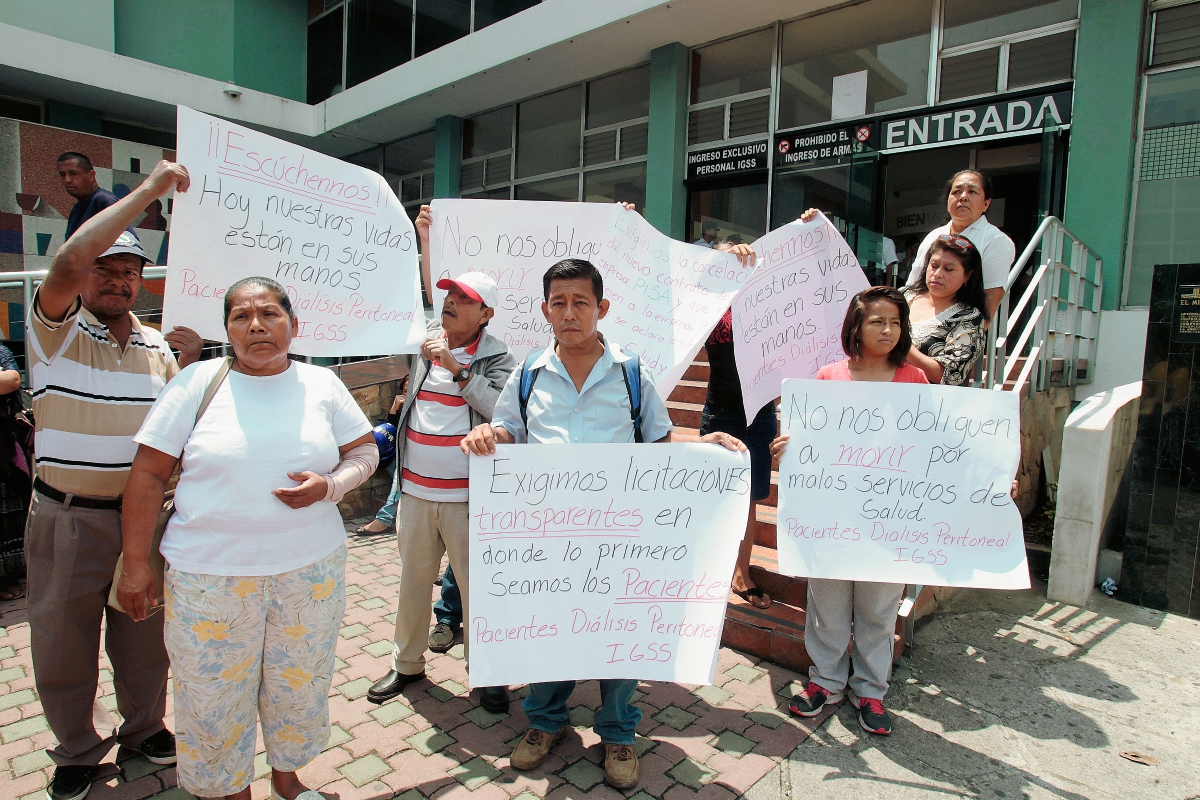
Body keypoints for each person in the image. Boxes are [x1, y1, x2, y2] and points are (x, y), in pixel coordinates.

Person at [460, 258, 746, 790]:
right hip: (548, 538)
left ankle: (617, 731)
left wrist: (701, 446)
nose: (570, 313)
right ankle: (545, 722)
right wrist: (489, 437)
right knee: (550, 630)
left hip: (619, 539)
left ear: (602, 308)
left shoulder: (632, 373)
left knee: (620, 634)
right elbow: (508, 429)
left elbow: (657, 446)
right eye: (559, 303)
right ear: (545, 310)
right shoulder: (528, 374)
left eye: (581, 302)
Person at [118, 276, 378, 800]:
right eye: (242, 316)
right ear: (228, 330)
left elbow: (365, 454)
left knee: (298, 685)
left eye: (270, 314)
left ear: (294, 326)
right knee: (213, 699)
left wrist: (331, 487)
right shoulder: (195, 384)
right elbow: (146, 476)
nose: (256, 325)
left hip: (309, 574)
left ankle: (288, 780)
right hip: (210, 579)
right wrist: (135, 564)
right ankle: (231, 791)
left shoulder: (322, 385)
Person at [24, 160, 202, 800]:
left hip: (142, 520)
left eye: (130, 272)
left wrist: (187, 363)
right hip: (66, 516)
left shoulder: (157, 347)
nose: (119, 281)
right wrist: (151, 192)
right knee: (64, 643)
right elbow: (68, 263)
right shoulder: (56, 331)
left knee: (144, 636)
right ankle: (77, 749)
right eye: (108, 269)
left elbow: (171, 433)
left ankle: (145, 728)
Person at [368, 202, 517, 715]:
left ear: (486, 314)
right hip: (415, 491)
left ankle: (487, 675)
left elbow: (501, 410)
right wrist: (425, 239)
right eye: (449, 295)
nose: (450, 302)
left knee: (480, 591)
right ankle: (407, 664)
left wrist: (456, 369)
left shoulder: (498, 357)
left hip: (467, 498)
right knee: (412, 583)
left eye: (464, 299)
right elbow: (429, 290)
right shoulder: (429, 340)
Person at [773, 286, 926, 738]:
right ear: (855, 327)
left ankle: (871, 691)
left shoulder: (915, 381)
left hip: (888, 519)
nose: (888, 329)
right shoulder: (828, 377)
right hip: (832, 518)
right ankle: (825, 682)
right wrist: (790, 448)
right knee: (828, 605)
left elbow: (934, 449)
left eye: (896, 322)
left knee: (880, 609)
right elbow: (811, 441)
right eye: (877, 320)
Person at [698, 239, 772, 609]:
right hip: (721, 412)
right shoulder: (706, 302)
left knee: (751, 500)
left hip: (759, 415)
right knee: (714, 497)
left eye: (738, 256)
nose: (733, 262)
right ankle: (710, 571)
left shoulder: (767, 297)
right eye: (723, 259)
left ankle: (741, 573)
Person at [904, 170, 1015, 318]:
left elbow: (990, 299)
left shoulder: (996, 240)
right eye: (956, 191)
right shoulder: (932, 237)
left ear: (986, 204)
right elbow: (912, 286)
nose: (963, 197)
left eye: (972, 191)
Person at [905, 234, 990, 386]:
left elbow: (950, 376)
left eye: (948, 269)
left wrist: (902, 346)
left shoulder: (970, 318)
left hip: (927, 406)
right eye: (934, 265)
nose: (937, 274)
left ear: (967, 276)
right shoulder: (902, 297)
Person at [354, 391, 405, 535]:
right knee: (394, 468)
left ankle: (384, 519)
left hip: (415, 457)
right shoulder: (402, 407)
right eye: (405, 390)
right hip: (399, 455)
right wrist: (394, 409)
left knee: (401, 475)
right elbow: (391, 429)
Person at [0, 344, 28, 601]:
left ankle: (7, 573)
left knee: (8, 512)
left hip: (3, 447)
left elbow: (12, 380)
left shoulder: (2, 351)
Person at [58, 152, 118, 240]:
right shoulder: (77, 208)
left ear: (91, 175)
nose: (67, 180)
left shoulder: (104, 200)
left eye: (73, 173)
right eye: (63, 175)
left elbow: (127, 246)